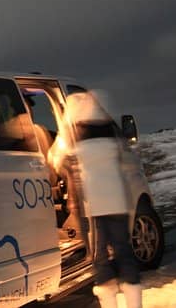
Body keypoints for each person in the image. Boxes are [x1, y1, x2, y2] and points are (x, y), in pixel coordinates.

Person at [60, 91, 141, 308]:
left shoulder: (72, 133)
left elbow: (57, 159)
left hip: (93, 206)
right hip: (118, 203)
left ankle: (110, 305)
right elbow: (128, 160)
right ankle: (135, 303)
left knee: (100, 259)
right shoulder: (110, 131)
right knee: (124, 253)